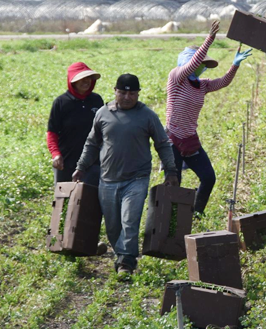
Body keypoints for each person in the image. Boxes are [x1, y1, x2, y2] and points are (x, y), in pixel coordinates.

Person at [73, 73, 179, 276]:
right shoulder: (103, 113)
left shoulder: (147, 115)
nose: (127, 97)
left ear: (138, 94)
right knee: (113, 227)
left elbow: (163, 144)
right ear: (115, 92)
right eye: (122, 93)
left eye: (132, 93)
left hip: (136, 179)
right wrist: (81, 166)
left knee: (129, 222)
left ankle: (126, 263)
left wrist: (171, 170)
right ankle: (121, 254)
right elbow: (92, 143)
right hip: (108, 179)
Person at [165, 20, 252, 214]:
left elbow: (223, 82)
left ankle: (196, 211)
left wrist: (234, 65)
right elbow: (192, 64)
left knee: (208, 177)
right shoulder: (176, 78)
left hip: (189, 139)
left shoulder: (202, 85)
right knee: (174, 181)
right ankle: (170, 220)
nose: (201, 67)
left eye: (203, 65)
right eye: (199, 63)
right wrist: (210, 39)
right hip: (172, 139)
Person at [46, 62, 104, 185]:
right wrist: (56, 154)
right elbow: (52, 132)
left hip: (93, 160)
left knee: (90, 196)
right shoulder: (61, 102)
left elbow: (103, 129)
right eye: (81, 78)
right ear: (73, 81)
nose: (86, 81)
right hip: (67, 160)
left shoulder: (96, 100)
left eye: (88, 78)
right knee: (64, 197)